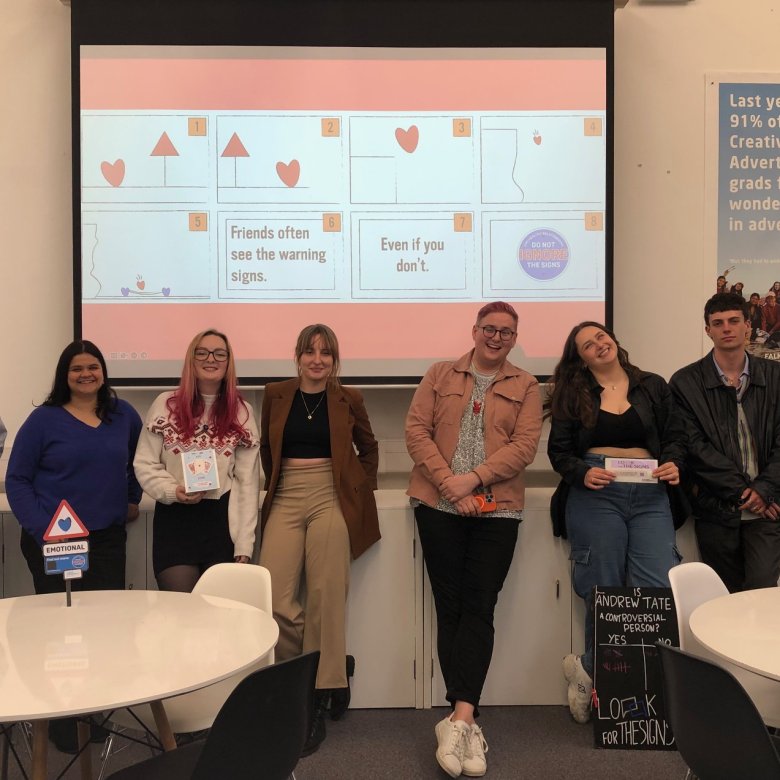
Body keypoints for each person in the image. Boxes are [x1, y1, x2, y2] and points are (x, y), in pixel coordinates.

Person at [406, 302, 542, 778]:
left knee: (480, 604)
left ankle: (461, 716)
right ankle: (461, 719)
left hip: (497, 508)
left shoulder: (526, 385)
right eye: (490, 328)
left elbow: (524, 447)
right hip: (437, 504)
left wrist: (475, 480)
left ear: (514, 337)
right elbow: (416, 431)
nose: (497, 337)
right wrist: (450, 483)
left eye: (506, 331)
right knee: (451, 606)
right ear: (476, 330)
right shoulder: (440, 373)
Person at [6, 339, 142, 752]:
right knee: (59, 634)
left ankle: (93, 715)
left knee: (102, 629)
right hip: (55, 543)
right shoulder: (43, 421)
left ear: (104, 372)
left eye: (93, 367)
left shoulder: (124, 416)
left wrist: (132, 498)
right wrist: (40, 527)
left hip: (105, 541)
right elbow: (17, 480)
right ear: (64, 376)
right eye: (76, 369)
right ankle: (63, 722)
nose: (86, 375)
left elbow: (137, 463)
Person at [546, 322, 684, 725]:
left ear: (614, 341)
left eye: (601, 337)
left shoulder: (653, 385)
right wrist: (580, 474)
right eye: (588, 345)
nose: (598, 345)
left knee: (655, 587)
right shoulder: (573, 393)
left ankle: (635, 684)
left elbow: (676, 437)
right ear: (581, 357)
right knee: (603, 589)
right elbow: (559, 451)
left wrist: (676, 462)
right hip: (596, 490)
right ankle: (597, 681)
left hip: (650, 493)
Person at [259, 324, 379, 756]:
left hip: (331, 496)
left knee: (327, 595)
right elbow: (268, 453)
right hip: (287, 494)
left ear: (334, 359)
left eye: (325, 353)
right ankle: (318, 668)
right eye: (309, 352)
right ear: (297, 356)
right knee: (275, 596)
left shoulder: (350, 399)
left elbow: (369, 448)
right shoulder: (275, 393)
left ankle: (316, 693)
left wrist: (357, 489)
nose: (317, 359)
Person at [670, 292, 780, 594]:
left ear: (748, 325)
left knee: (761, 591)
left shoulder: (775, 376)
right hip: (715, 508)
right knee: (723, 599)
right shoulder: (685, 382)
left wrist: (764, 491)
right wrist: (744, 491)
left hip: (766, 510)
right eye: (717, 323)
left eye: (734, 321)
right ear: (708, 331)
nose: (726, 328)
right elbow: (693, 446)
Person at [134, 329, 259, 592]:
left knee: (218, 620)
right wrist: (173, 490)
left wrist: (244, 544)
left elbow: (247, 484)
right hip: (175, 520)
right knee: (179, 616)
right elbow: (144, 464)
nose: (210, 359)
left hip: (222, 525)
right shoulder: (165, 404)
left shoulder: (242, 412)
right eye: (201, 352)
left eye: (219, 353)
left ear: (228, 362)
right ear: (191, 359)